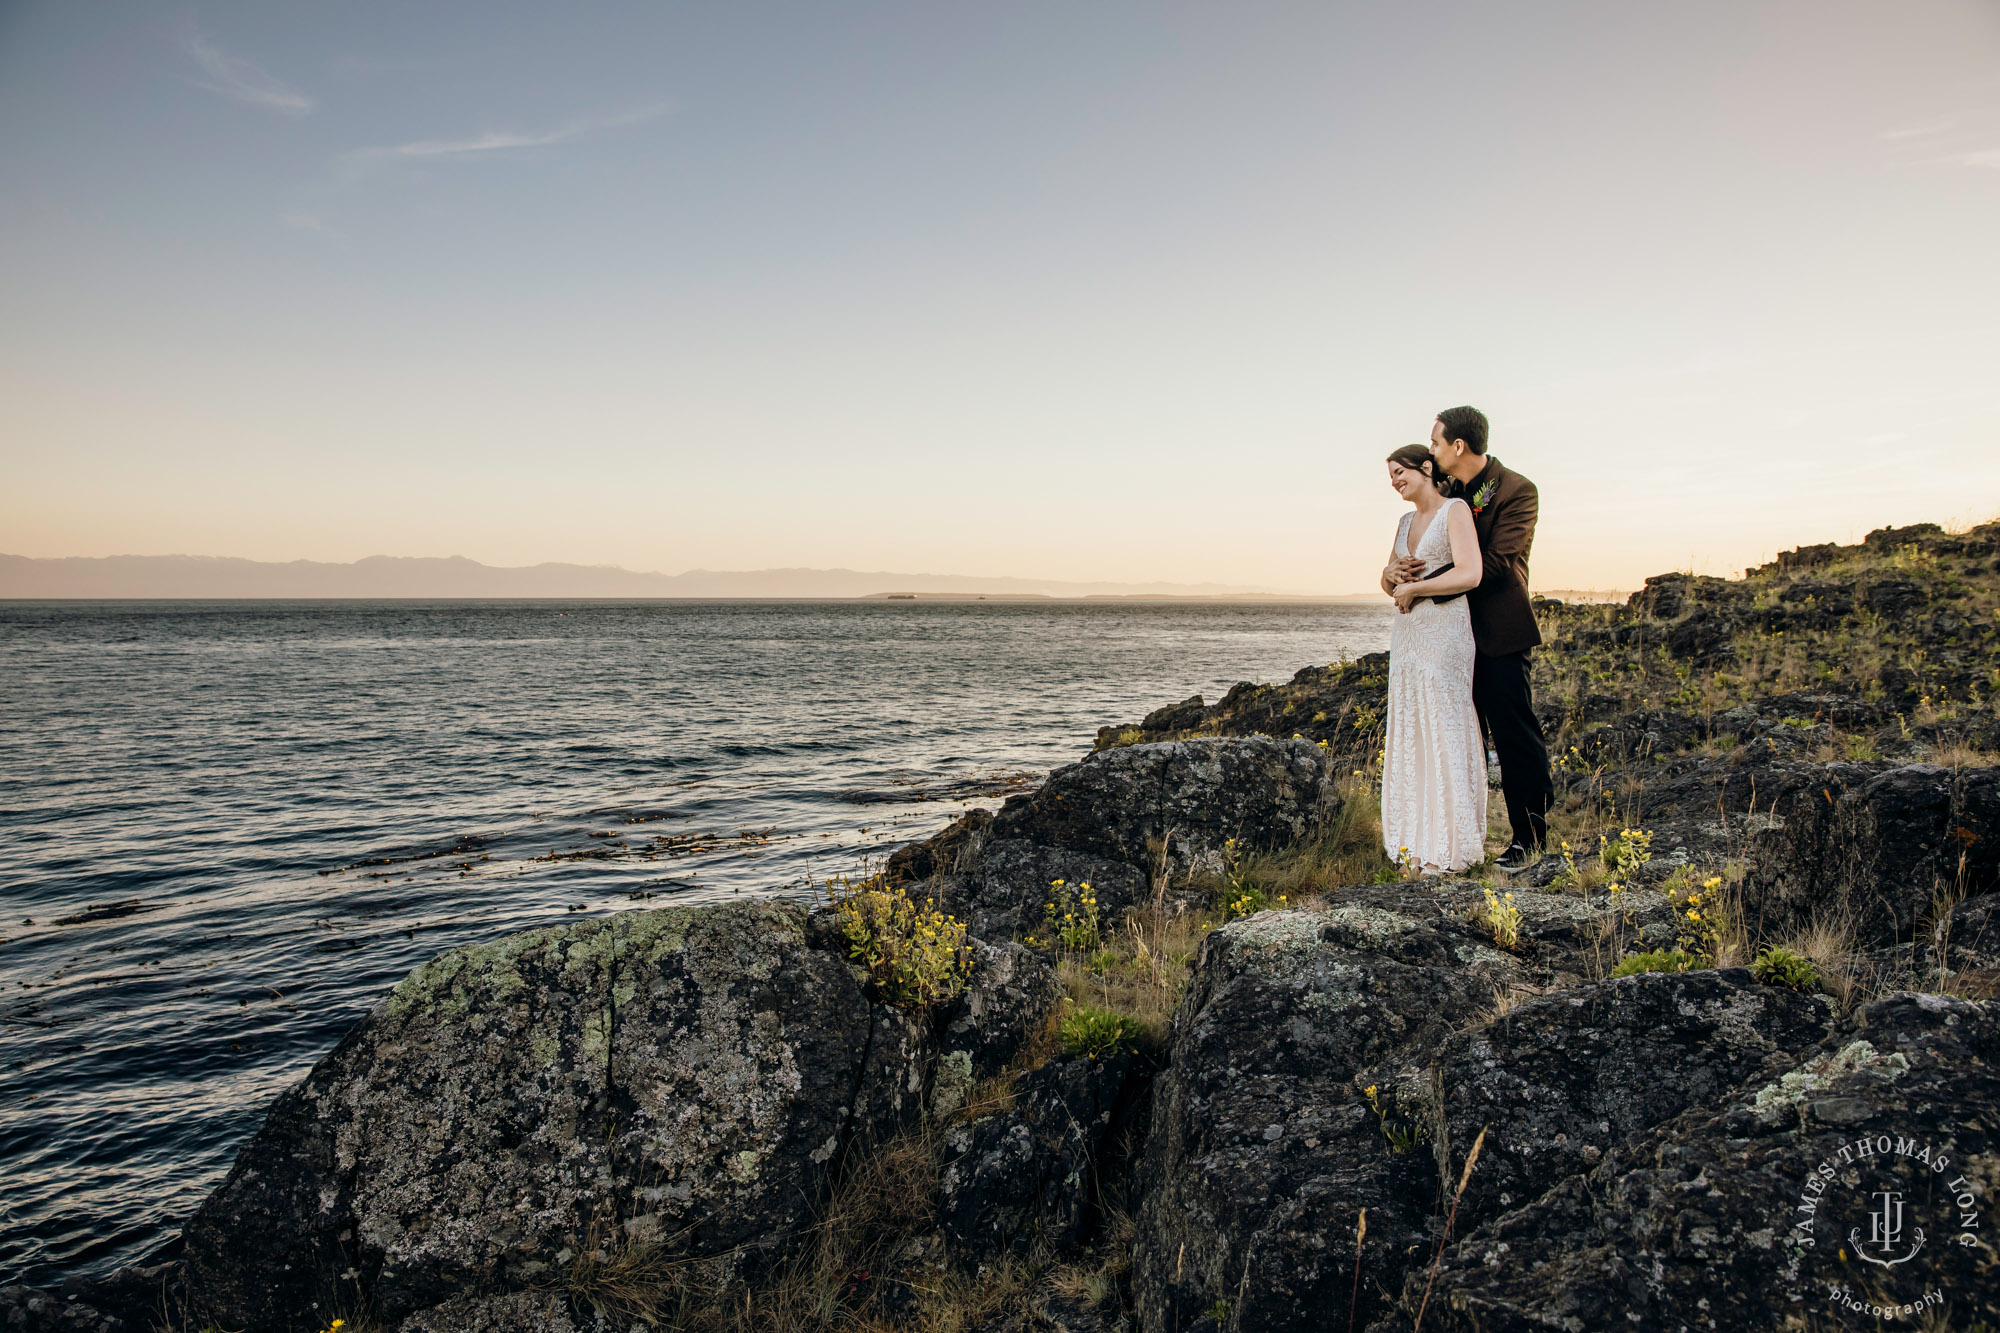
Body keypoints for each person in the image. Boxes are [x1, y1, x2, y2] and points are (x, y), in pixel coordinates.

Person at [1389, 406, 1554, 871]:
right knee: (1456, 736)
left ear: (1457, 446)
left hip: (1497, 630)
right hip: (1443, 637)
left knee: (1513, 732)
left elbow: (1499, 562)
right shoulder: (1445, 492)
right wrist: (1395, 569)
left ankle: (1529, 835)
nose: (1432, 451)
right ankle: (1454, 834)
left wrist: (1425, 581)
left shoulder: (1518, 490)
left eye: (1436, 443)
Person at [1376, 444, 1487, 874]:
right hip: (1408, 635)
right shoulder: (1404, 522)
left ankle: (1447, 843)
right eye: (1390, 476)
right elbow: (1390, 582)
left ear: (1426, 467)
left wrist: (1415, 589)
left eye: (1400, 472)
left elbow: (1470, 573)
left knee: (1442, 723)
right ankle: (1411, 843)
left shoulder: (1454, 510)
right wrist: (1389, 578)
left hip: (1445, 633)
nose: (1394, 481)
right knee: (1413, 727)